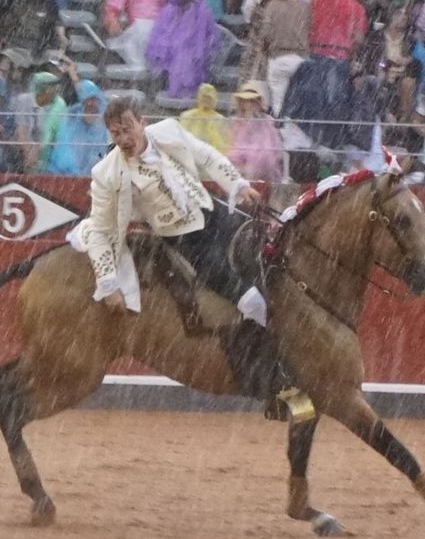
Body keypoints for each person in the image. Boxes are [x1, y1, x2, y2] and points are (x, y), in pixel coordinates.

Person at [71, 97, 267, 351]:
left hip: (214, 211)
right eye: (116, 133)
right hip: (186, 240)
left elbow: (206, 155)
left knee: (269, 259)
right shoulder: (106, 173)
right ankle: (264, 356)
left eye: (128, 129)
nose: (123, 139)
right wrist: (108, 284)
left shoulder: (168, 130)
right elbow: (99, 230)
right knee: (251, 301)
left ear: (142, 123)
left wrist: (238, 185)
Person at [242, 0, 311, 115]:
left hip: (278, 57)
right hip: (300, 58)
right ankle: (291, 123)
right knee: (296, 100)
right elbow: (310, 31)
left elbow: (266, 33)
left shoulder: (273, 6)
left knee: (277, 101)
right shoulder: (305, 8)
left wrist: (265, 48)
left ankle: (278, 124)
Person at [46, 79, 111, 175]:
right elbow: (63, 159)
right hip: (65, 177)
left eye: (94, 99)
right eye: (87, 100)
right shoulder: (71, 122)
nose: (90, 104)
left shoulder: (104, 124)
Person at [227, 79, 286, 182]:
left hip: (263, 162)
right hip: (239, 161)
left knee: (260, 158)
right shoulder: (235, 121)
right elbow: (232, 142)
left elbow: (273, 146)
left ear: (258, 102)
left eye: (252, 101)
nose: (248, 104)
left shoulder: (268, 121)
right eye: (245, 101)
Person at [178, 82, 230, 151]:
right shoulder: (187, 115)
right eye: (204, 97)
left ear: (214, 100)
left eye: (209, 98)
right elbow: (182, 139)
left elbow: (224, 146)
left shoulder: (220, 119)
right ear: (198, 98)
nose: (206, 100)